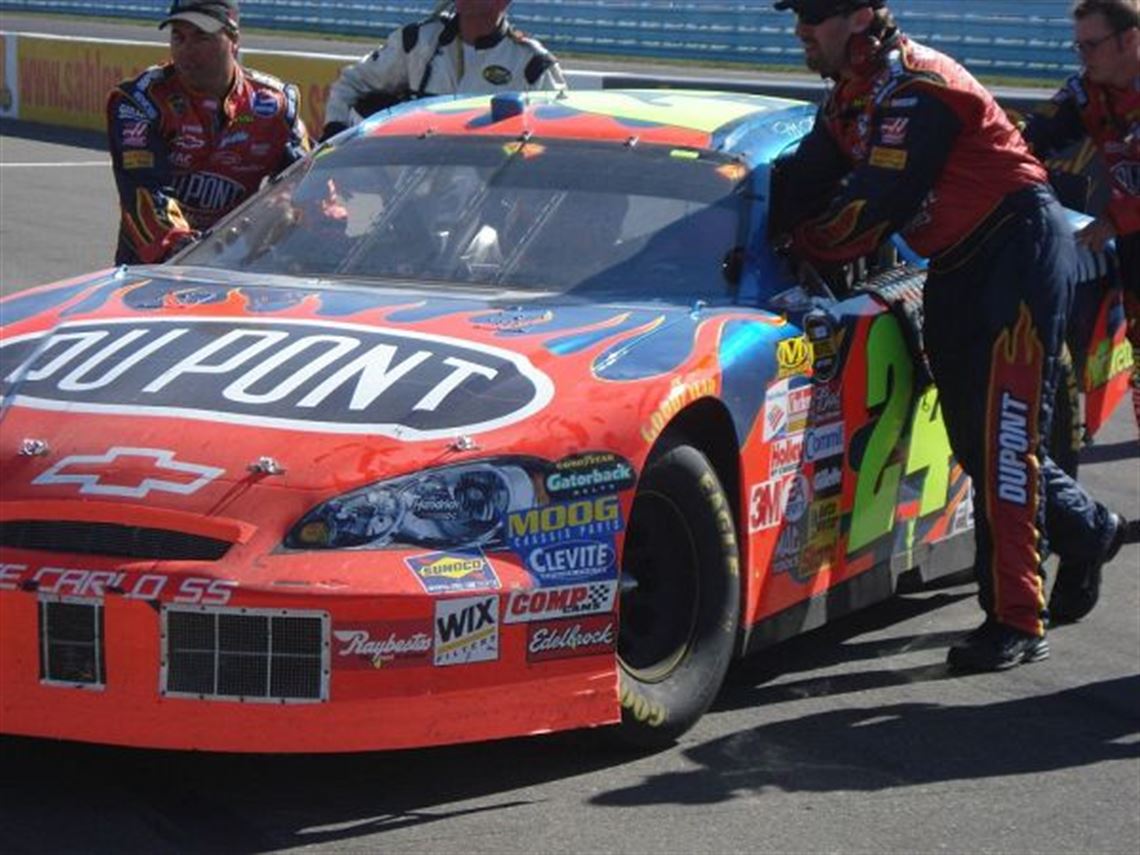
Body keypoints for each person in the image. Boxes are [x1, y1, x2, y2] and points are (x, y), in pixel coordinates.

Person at [770, 0, 1126, 671]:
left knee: (1004, 440)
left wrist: (807, 242)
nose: (800, 29)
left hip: (1017, 250)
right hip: (956, 262)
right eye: (795, 14)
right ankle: (1089, 530)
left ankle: (1017, 619)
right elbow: (802, 179)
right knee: (973, 440)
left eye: (814, 13)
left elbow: (876, 207)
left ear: (859, 17)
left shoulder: (916, 87)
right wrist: (774, 230)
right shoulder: (851, 97)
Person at [106, 0, 310, 265]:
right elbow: (144, 193)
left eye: (201, 37)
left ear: (233, 38)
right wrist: (184, 251)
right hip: (158, 267)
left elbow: (310, 183)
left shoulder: (275, 105)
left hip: (240, 262)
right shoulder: (142, 101)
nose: (186, 51)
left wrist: (289, 208)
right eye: (178, 37)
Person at [1022, 0, 1140, 455]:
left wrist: (1113, 219)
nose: (1083, 56)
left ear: (1129, 40)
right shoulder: (1089, 90)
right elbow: (1037, 133)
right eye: (1078, 46)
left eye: (1091, 45)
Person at [319, 0, 565, 142]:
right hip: (407, 197)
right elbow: (349, 84)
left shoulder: (533, 65)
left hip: (489, 206)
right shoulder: (416, 42)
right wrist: (335, 134)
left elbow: (557, 140)